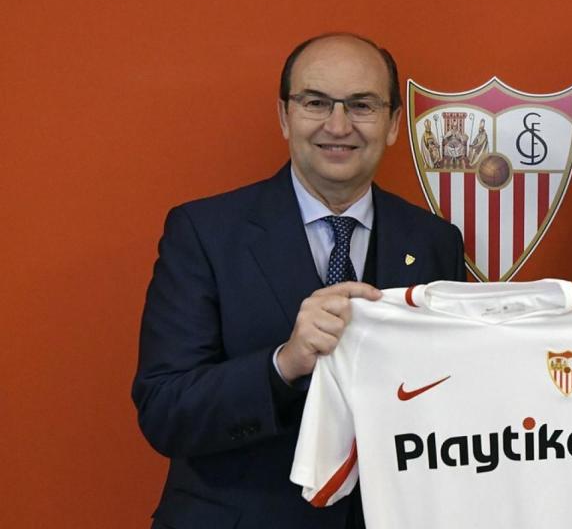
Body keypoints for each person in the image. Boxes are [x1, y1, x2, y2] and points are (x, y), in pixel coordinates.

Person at [132, 33, 465, 529]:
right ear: (285, 116)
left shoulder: (436, 240)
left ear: (395, 123)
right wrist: (283, 364)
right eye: (315, 102)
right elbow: (165, 410)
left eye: (362, 105)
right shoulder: (203, 232)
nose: (338, 125)